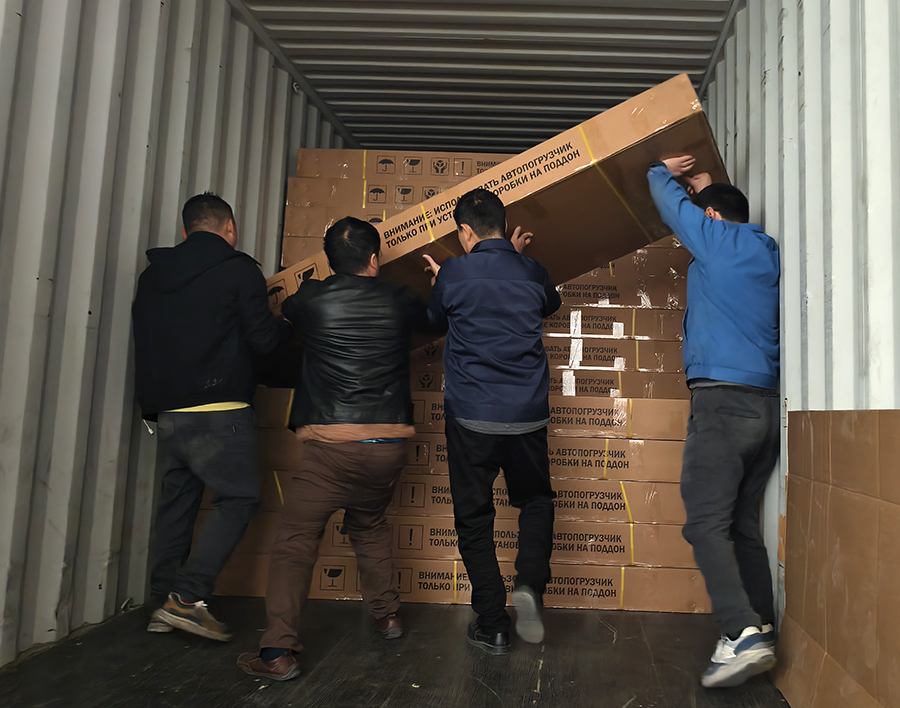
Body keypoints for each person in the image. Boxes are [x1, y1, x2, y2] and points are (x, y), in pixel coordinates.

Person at [237, 217, 428, 682]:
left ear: (329, 262)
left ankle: (276, 650)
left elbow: (284, 319)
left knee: (295, 542)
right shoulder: (400, 299)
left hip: (330, 449)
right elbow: (435, 320)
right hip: (387, 444)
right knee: (369, 523)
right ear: (374, 259)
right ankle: (387, 616)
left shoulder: (310, 299)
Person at [132, 192, 292, 641]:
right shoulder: (238, 270)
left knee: (177, 506)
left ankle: (162, 601)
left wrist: (151, 404)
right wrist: (287, 327)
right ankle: (187, 598)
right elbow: (263, 340)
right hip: (221, 412)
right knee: (238, 499)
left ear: (185, 232)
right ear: (230, 229)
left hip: (169, 413)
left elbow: (144, 339)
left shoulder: (153, 276)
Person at [647, 156, 780, 688]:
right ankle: (759, 627)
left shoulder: (717, 242)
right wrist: (712, 190)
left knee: (704, 523)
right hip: (763, 407)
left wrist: (660, 170)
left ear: (713, 220)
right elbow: (723, 216)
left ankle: (741, 631)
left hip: (721, 404)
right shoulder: (761, 250)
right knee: (741, 524)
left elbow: (668, 202)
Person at [423, 189, 561, 655]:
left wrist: (443, 280)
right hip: (526, 415)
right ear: (502, 225)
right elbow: (549, 304)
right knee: (536, 501)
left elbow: (433, 319)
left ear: (465, 231)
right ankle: (529, 583)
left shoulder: (455, 273)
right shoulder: (532, 271)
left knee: (474, 517)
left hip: (471, 417)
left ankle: (493, 624)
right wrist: (515, 262)